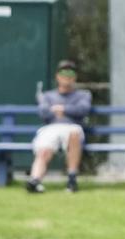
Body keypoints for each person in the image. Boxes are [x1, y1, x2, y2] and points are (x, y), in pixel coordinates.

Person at [27, 60, 92, 193]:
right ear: (57, 76)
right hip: (51, 128)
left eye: (70, 72)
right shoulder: (47, 95)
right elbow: (44, 113)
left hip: (72, 127)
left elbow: (83, 110)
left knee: (74, 133)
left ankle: (72, 180)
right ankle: (35, 180)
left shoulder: (84, 94)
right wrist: (67, 111)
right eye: (63, 72)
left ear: (75, 77)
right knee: (44, 149)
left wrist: (63, 109)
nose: (67, 76)